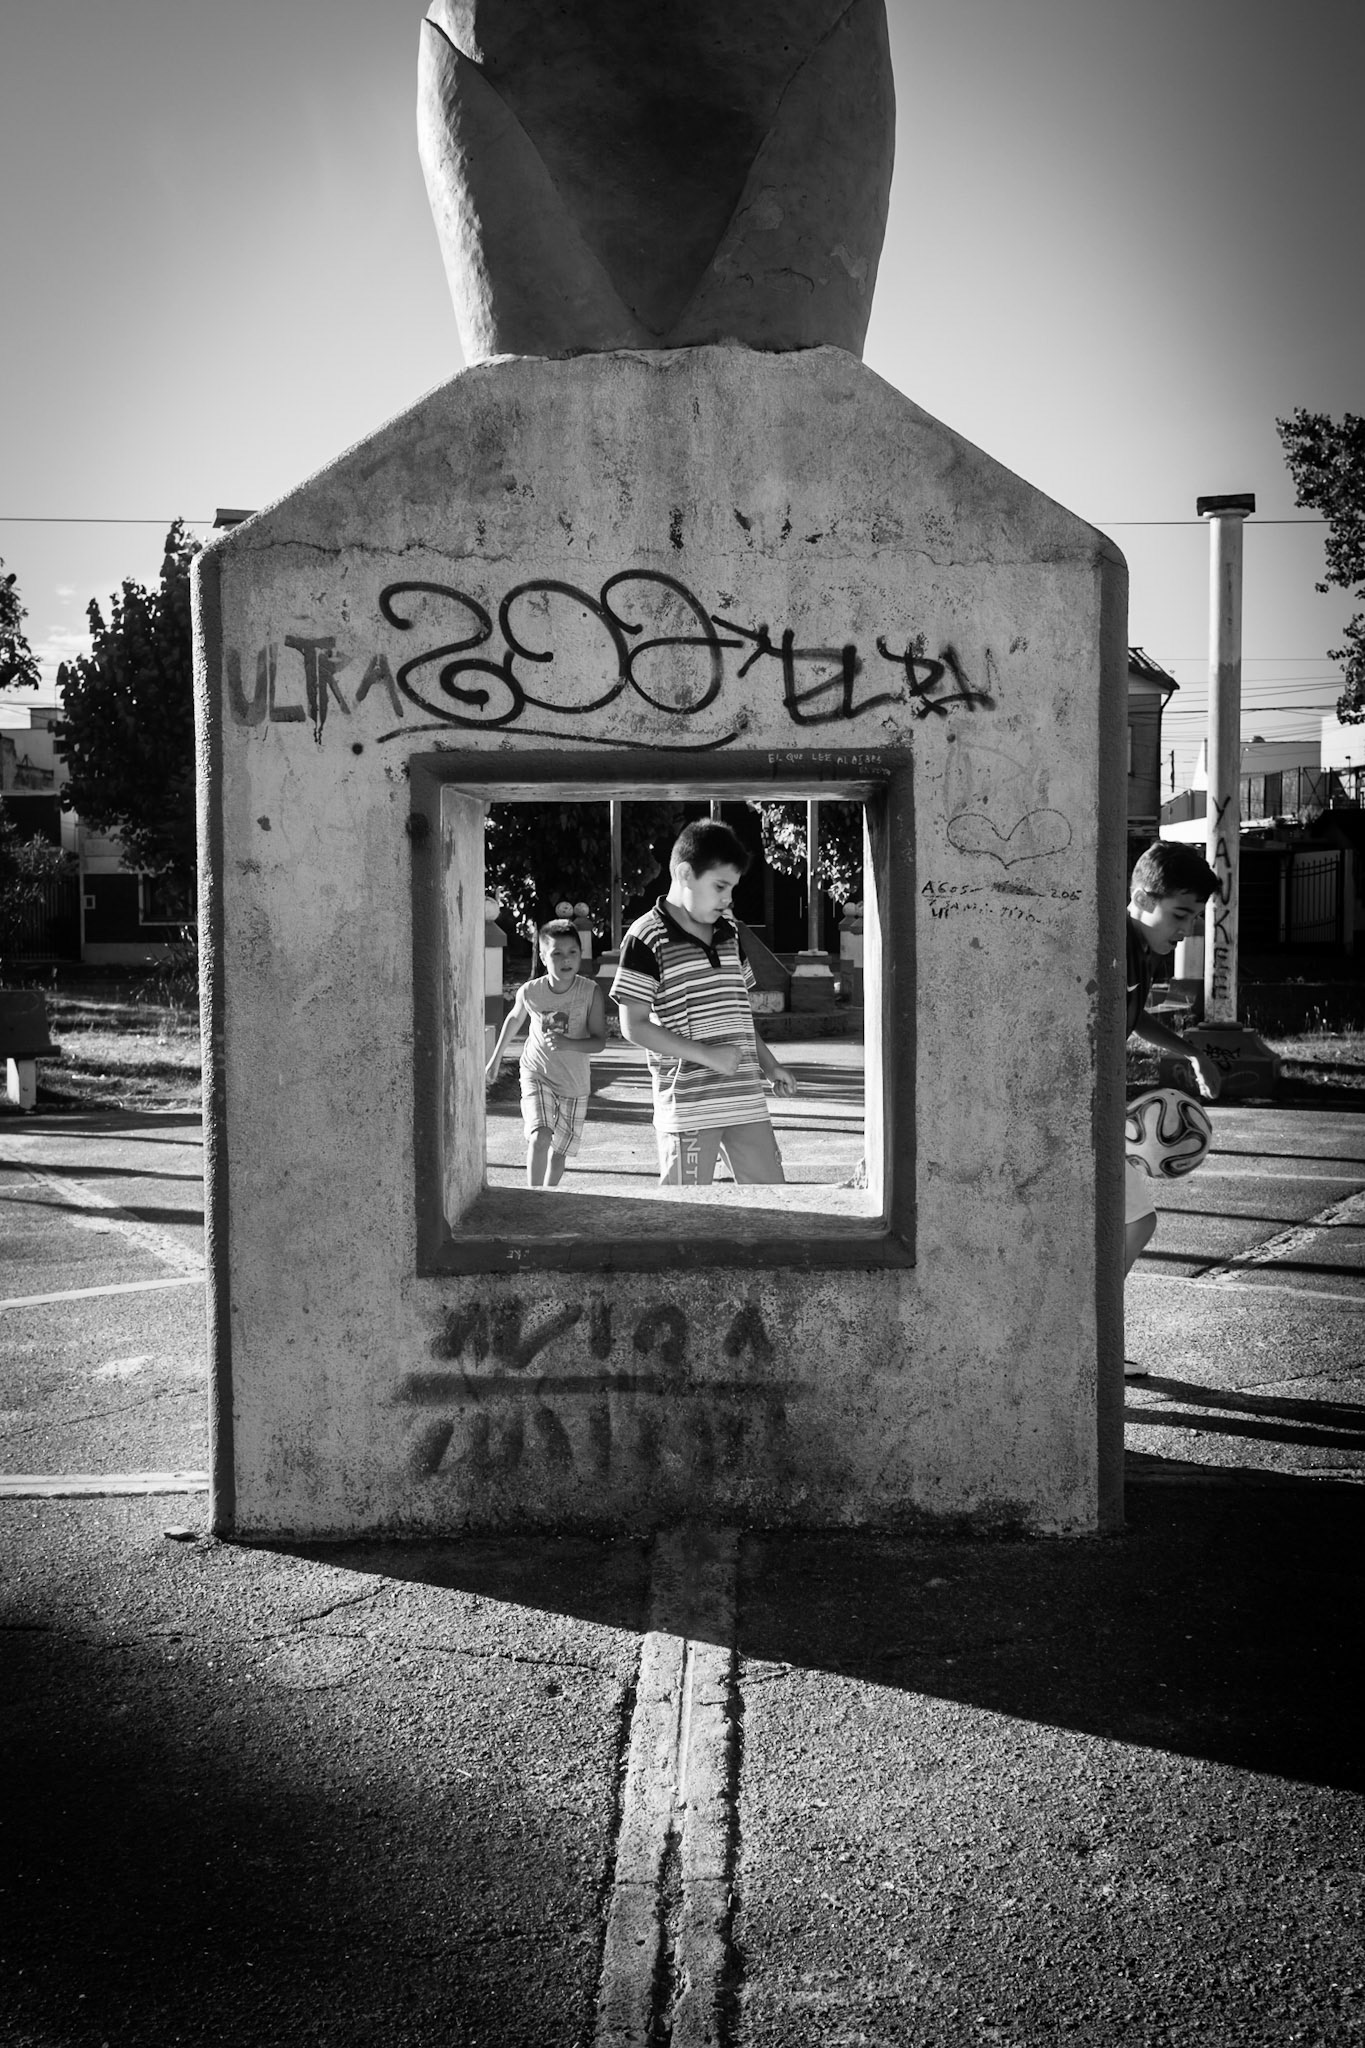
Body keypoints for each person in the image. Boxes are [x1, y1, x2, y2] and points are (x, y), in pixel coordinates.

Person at [610, 820, 797, 1186]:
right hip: (689, 1110)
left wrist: (770, 1066)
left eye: (732, 889)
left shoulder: (729, 931)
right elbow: (633, 1025)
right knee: (685, 1217)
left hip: (746, 1102)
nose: (728, 899)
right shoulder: (645, 936)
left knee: (773, 1203)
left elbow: (740, 1016)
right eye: (719, 886)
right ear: (684, 874)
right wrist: (708, 1055)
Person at [1123, 841, 1223, 1358]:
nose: (1186, 929)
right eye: (1180, 914)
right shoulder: (1111, 942)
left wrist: (1191, 1055)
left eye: (1195, 918)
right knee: (1133, 1223)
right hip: (1060, 1113)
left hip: (1088, 1111)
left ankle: (1093, 1335)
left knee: (1130, 1223)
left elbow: (1132, 1016)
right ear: (1142, 897)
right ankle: (1092, 1336)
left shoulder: (1143, 952)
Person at [485, 917, 607, 1187]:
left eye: (572, 952)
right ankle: (533, 1196)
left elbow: (599, 1041)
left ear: (580, 954)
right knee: (541, 1136)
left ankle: (549, 1196)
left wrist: (570, 1044)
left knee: (559, 1153)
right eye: (557, 953)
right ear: (542, 956)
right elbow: (514, 1019)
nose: (566, 960)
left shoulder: (590, 993)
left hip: (574, 1082)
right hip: (536, 1072)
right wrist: (495, 1059)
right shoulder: (531, 991)